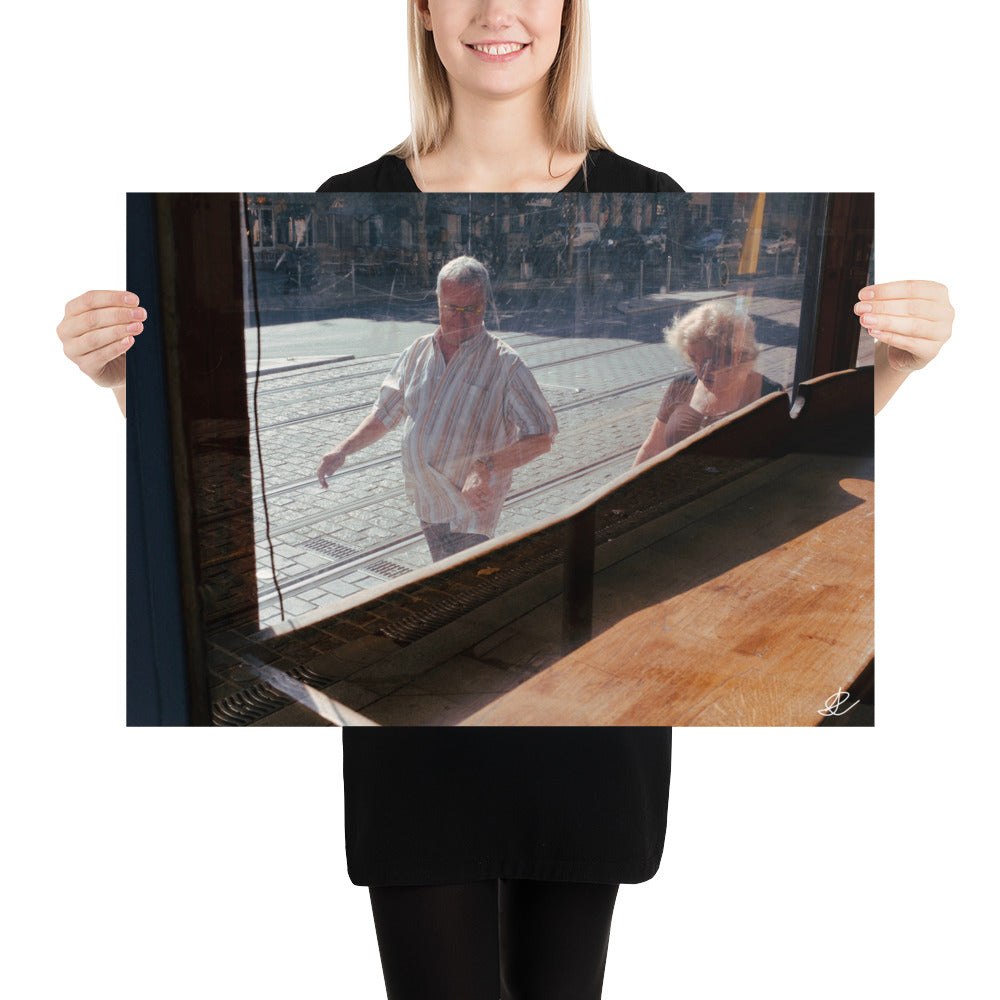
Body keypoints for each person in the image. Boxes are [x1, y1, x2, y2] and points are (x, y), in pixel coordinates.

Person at [55, 2, 954, 998]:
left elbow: (693, 444)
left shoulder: (637, 199)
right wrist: (127, 388)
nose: (496, 11)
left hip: (563, 666)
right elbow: (367, 413)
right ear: (425, 13)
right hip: (421, 721)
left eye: (470, 302)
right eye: (448, 301)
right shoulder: (350, 199)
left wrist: (900, 367)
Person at [316, 255, 557, 563]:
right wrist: (343, 449)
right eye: (451, 308)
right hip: (428, 503)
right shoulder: (417, 352)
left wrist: (486, 466)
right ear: (438, 302)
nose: (461, 319)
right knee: (446, 581)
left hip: (470, 510)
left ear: (485, 305)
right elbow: (384, 414)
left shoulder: (505, 364)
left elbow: (543, 435)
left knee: (461, 584)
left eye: (472, 309)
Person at [633, 301, 783, 466]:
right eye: (694, 360)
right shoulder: (681, 385)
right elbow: (652, 449)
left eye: (712, 361)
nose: (702, 372)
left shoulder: (768, 394)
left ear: (737, 355)